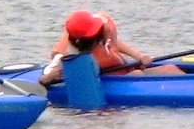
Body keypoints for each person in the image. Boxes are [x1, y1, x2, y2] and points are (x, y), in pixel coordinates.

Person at [39, 9, 183, 85]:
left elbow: (115, 43)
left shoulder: (102, 37)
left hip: (126, 70)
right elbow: (59, 68)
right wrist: (47, 78)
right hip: (115, 80)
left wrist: (139, 56)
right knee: (137, 75)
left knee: (172, 69)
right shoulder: (77, 55)